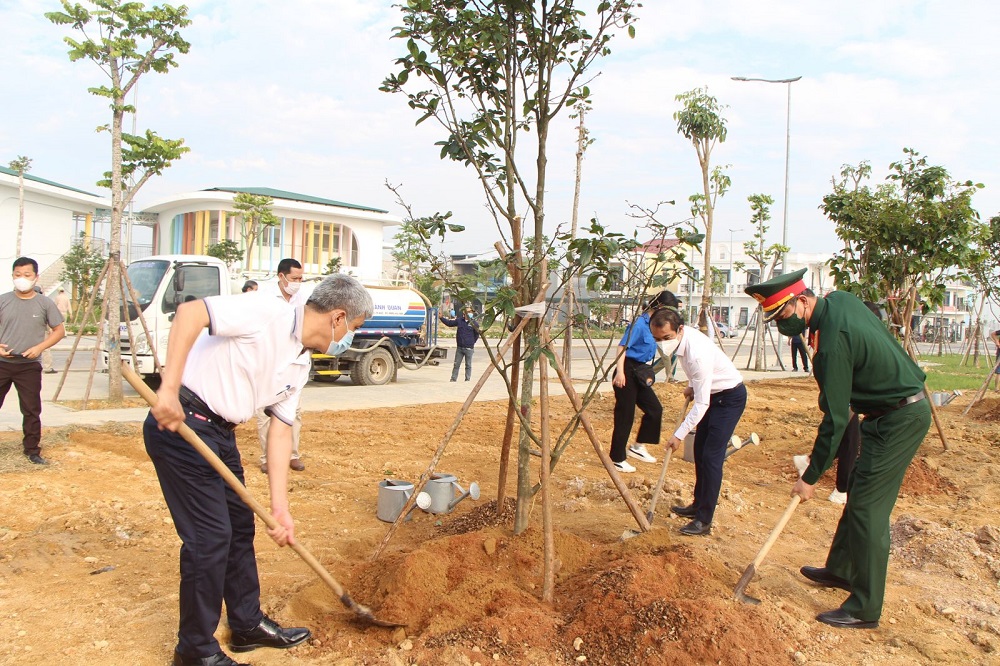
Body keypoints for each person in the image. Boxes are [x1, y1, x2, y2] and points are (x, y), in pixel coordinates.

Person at [144, 272, 373, 666]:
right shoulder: (266, 312)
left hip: (220, 434)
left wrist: (280, 507)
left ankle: (246, 624)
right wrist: (167, 387)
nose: (347, 338)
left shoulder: (301, 364)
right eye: (352, 328)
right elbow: (189, 313)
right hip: (182, 424)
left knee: (238, 529)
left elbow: (281, 432)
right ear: (337, 317)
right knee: (209, 538)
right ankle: (194, 650)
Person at [746, 268, 931, 630]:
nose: (781, 322)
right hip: (885, 413)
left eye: (782, 314)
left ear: (802, 301)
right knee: (861, 493)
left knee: (867, 511)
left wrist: (810, 476)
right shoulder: (840, 300)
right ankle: (841, 570)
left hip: (900, 417)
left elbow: (835, 421)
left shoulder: (831, 344)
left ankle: (864, 608)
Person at [660, 309, 747, 536]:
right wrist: (693, 384)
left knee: (711, 457)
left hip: (729, 398)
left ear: (679, 330)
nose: (662, 343)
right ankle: (697, 504)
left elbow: (701, 404)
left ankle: (704, 520)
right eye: (657, 339)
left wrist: (678, 435)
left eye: (666, 338)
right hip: (712, 393)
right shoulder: (683, 340)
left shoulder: (696, 352)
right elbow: (699, 379)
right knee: (699, 450)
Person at [0, 258, 66, 465]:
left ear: (35, 277)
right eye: (17, 274)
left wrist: (39, 348)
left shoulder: (45, 303)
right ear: (12, 276)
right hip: (2, 363)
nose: (22, 279)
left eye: (27, 275)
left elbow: (59, 331)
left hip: (29, 366)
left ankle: (32, 451)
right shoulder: (3, 300)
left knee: (31, 409)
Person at [609, 290, 680, 474]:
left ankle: (638, 446)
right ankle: (617, 458)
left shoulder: (655, 325)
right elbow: (621, 347)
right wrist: (620, 373)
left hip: (640, 371)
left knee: (655, 410)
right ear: (660, 307)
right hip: (627, 371)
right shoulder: (640, 324)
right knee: (625, 415)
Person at [256, 260, 306, 474]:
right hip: (266, 362)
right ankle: (268, 458)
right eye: (294, 279)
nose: (297, 283)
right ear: (281, 276)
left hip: (293, 361)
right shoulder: (264, 297)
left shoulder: (301, 299)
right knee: (265, 413)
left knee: (295, 412)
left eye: (300, 279)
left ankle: (292, 455)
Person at [440, 305, 479, 382]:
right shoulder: (459, 321)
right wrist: (441, 318)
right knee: (456, 364)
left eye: (471, 312)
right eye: (469, 312)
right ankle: (453, 379)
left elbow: (476, 335)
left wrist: (471, 342)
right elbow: (449, 323)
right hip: (460, 348)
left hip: (469, 348)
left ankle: (467, 379)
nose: (470, 313)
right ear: (464, 313)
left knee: (468, 365)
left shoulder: (474, 323)